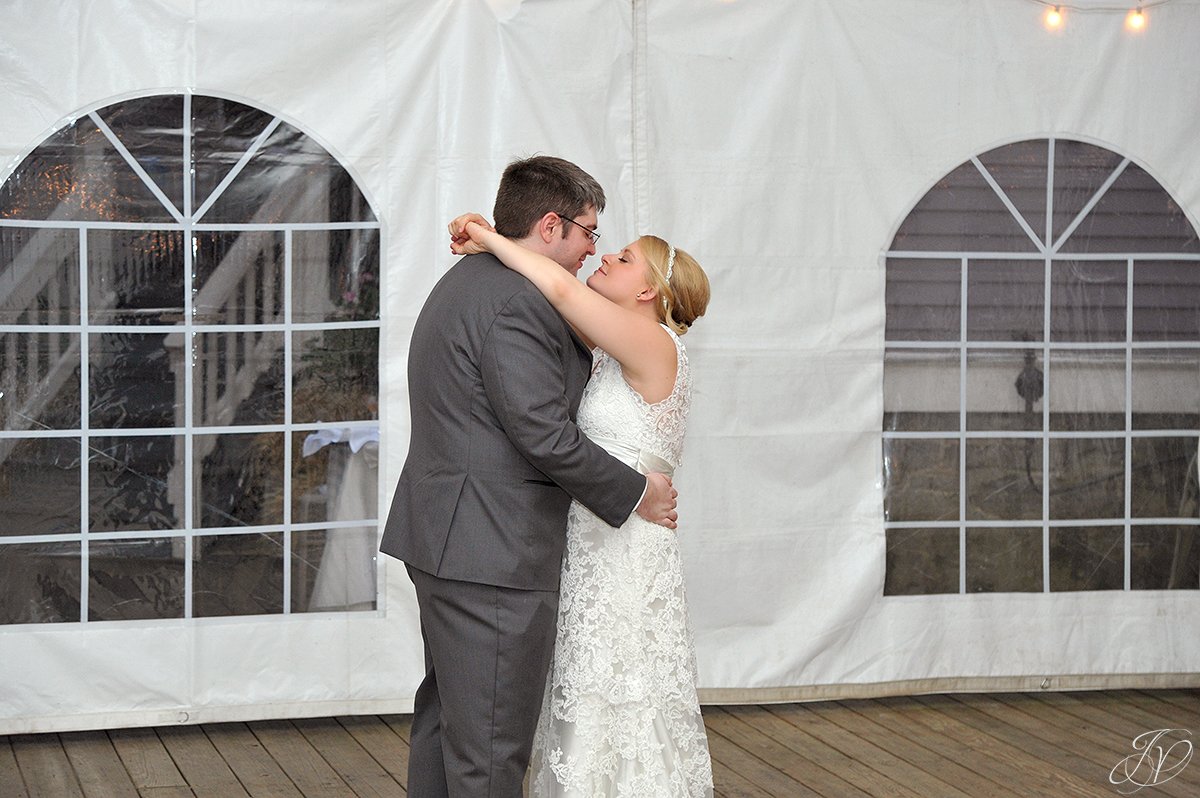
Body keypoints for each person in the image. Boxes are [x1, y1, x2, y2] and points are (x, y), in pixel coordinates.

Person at [379, 155, 679, 798]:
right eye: (590, 233)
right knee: (489, 749)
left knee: (449, 724)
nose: (591, 252)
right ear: (551, 226)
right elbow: (543, 433)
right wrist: (635, 492)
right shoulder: (518, 300)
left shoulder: (470, 280)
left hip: (451, 534)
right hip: (491, 550)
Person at [448, 212, 714, 797]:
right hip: (594, 538)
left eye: (621, 259)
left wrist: (490, 239)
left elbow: (562, 289)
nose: (603, 259)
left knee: (617, 688)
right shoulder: (615, 348)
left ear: (647, 291)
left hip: (622, 546)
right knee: (583, 686)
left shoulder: (652, 341)